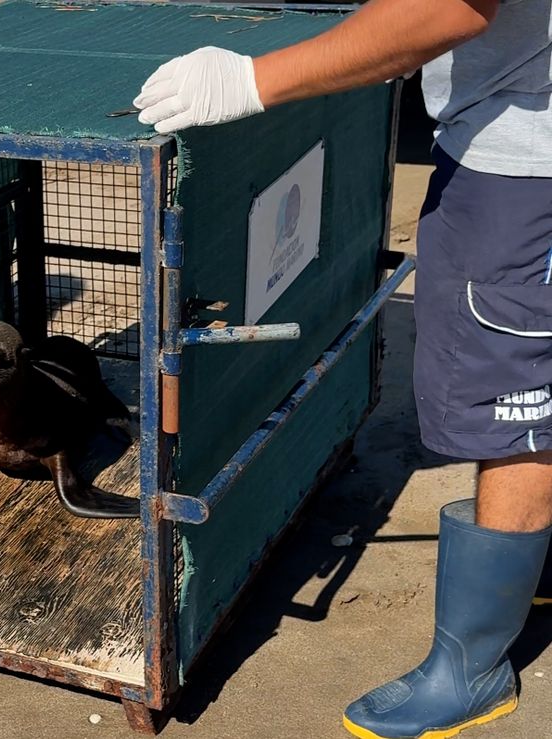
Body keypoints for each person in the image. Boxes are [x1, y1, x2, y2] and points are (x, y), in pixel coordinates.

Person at [133, 1, 552, 737]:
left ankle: (473, 666)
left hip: (522, 163)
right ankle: (533, 560)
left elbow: (452, 7)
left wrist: (255, 81)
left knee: (513, 401)